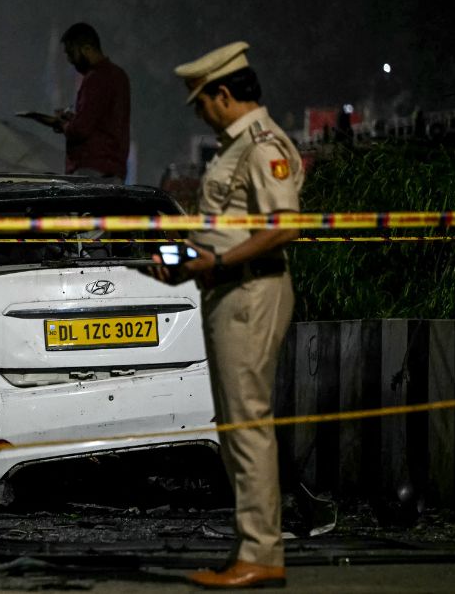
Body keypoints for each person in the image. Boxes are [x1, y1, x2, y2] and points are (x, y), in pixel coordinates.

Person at [157, 41, 303, 590]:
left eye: (201, 102)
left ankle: (262, 554)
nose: (199, 112)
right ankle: (252, 550)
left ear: (223, 94)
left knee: (247, 427)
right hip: (227, 288)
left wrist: (216, 258)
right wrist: (192, 263)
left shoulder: (263, 145)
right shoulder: (233, 146)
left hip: (250, 292)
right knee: (235, 426)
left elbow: (284, 225)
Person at [53, 23, 130, 183]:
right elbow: (102, 120)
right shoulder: (119, 76)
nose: (70, 60)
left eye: (71, 53)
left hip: (91, 169)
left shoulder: (95, 78)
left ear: (87, 49)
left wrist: (63, 125)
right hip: (113, 170)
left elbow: (81, 129)